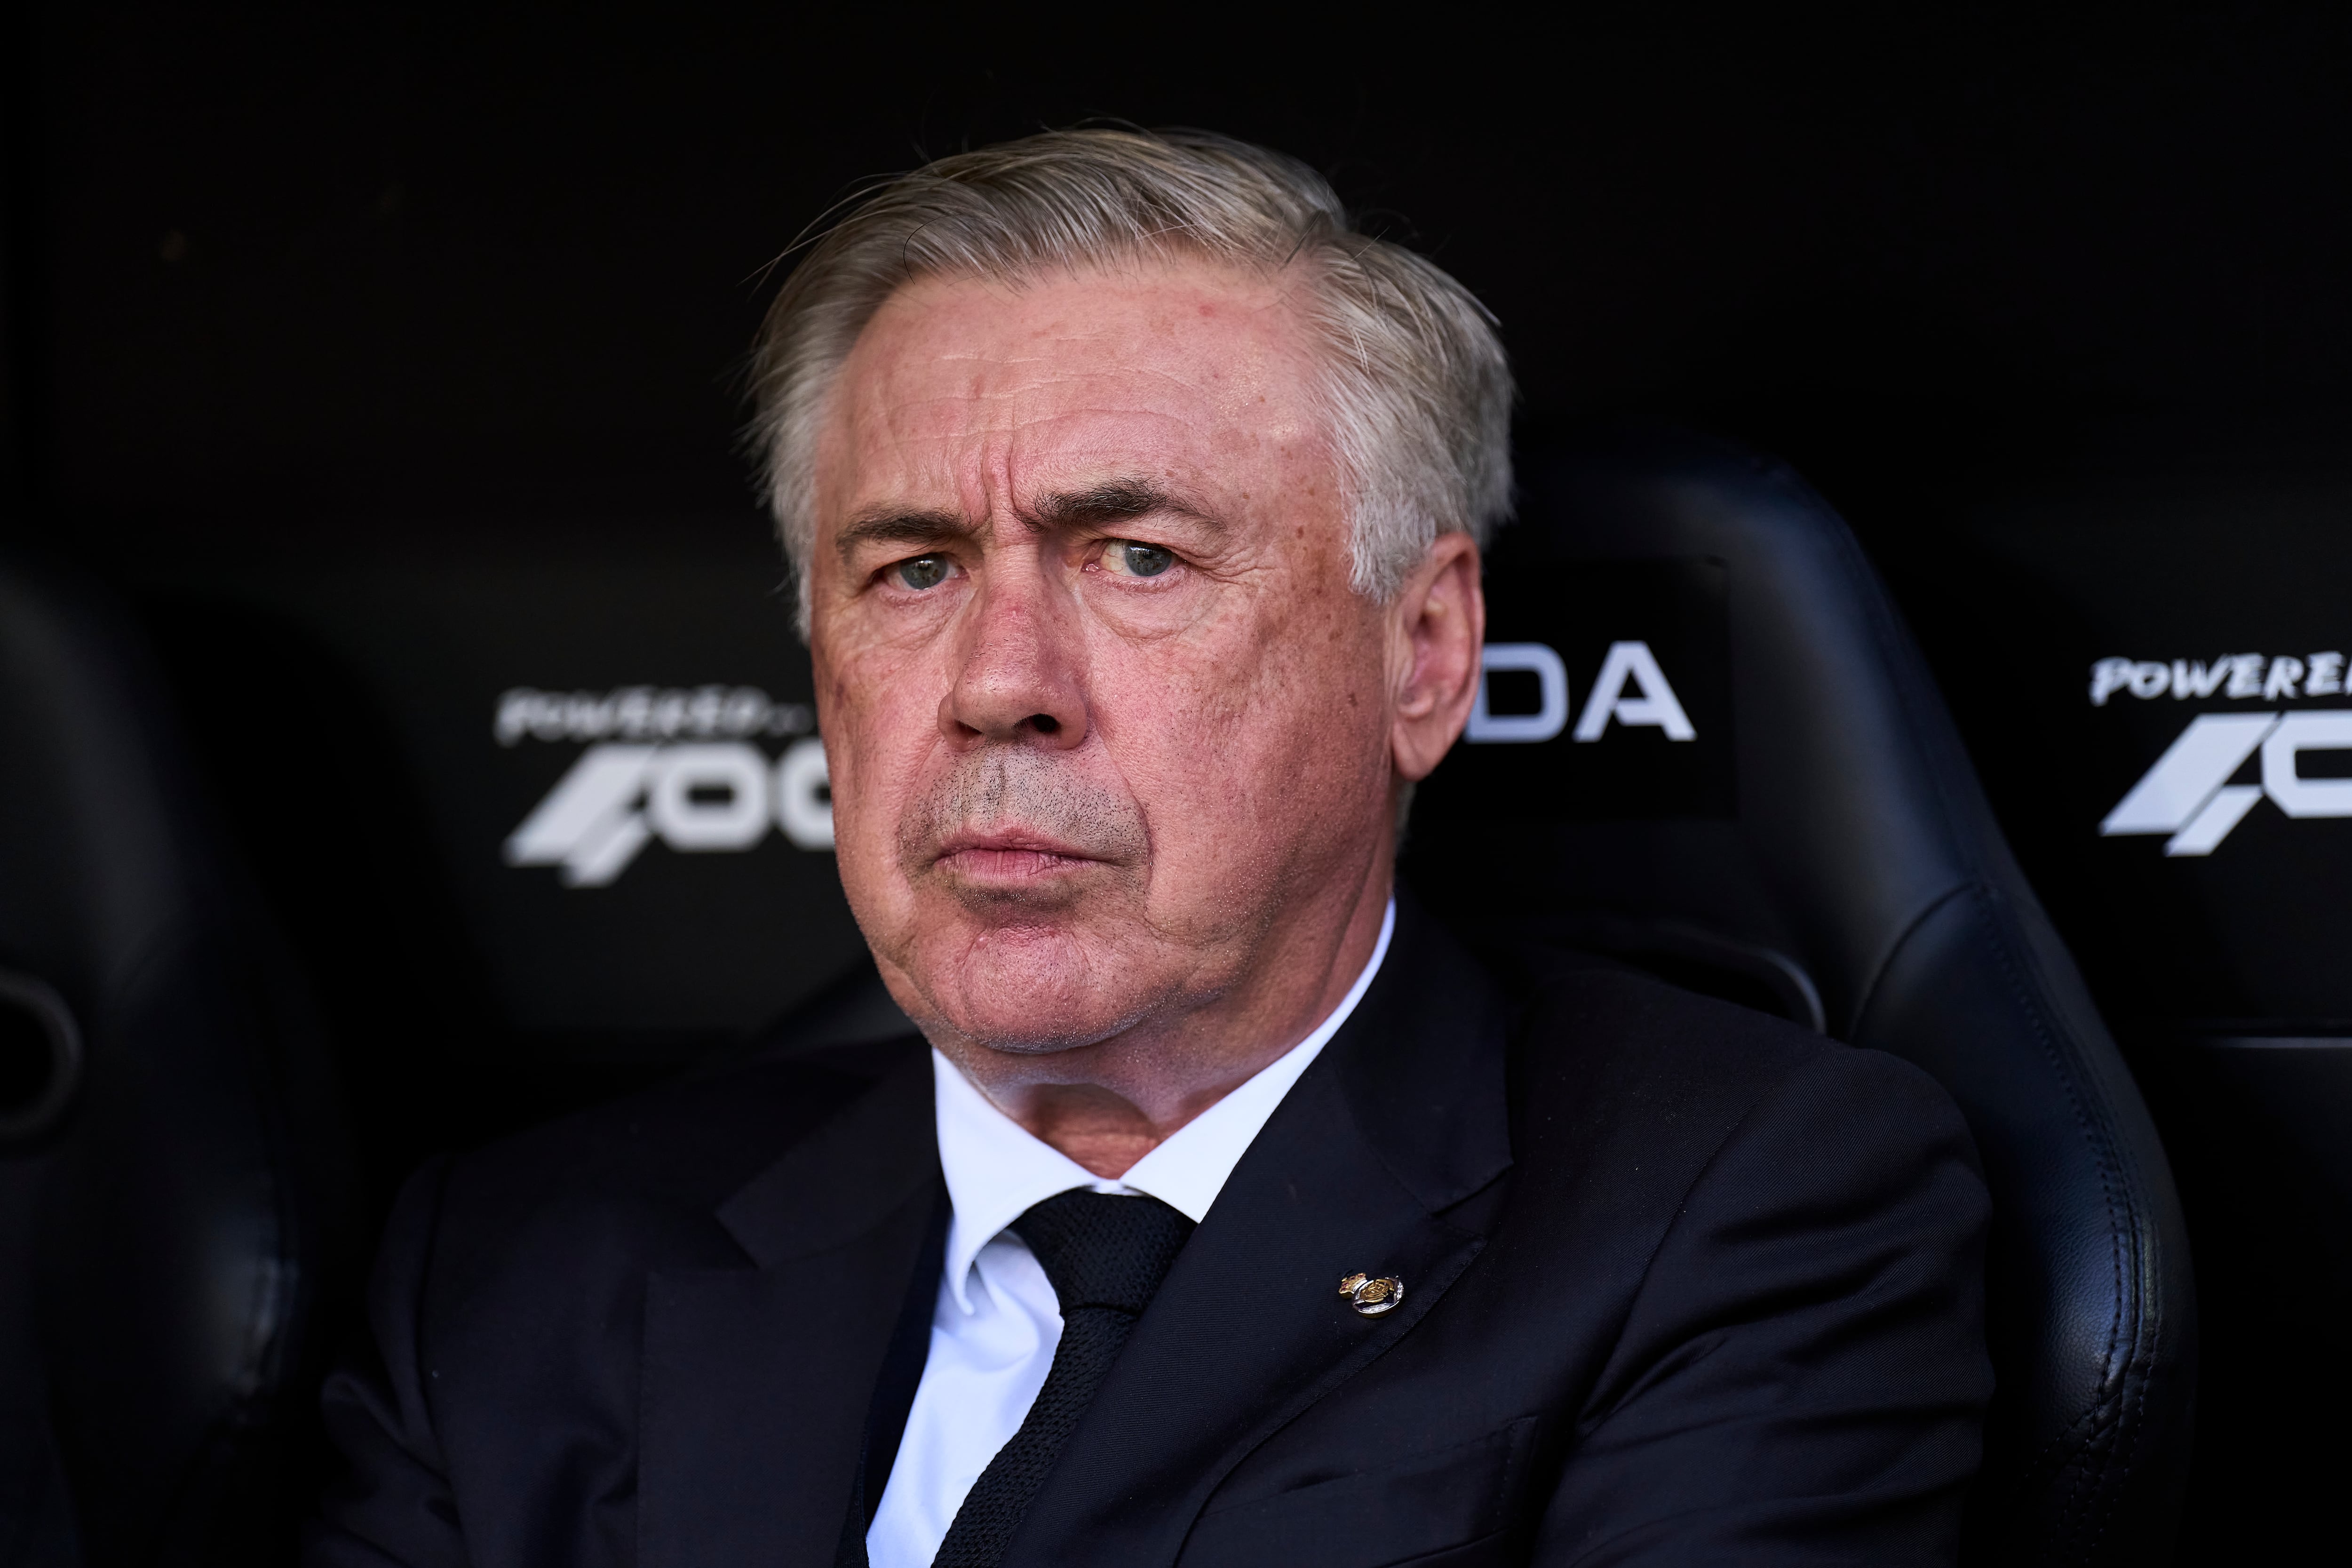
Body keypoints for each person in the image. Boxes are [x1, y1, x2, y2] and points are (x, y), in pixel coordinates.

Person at [308, 128, 1990, 1568]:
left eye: (1136, 558)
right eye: (913, 571)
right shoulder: (523, 1269)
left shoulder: (1743, 1212)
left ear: (1422, 653)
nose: (997, 687)